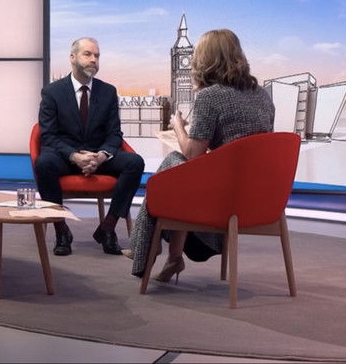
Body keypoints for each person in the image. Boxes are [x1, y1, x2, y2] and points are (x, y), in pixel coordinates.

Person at [127, 28, 275, 280]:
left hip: (222, 198)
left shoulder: (210, 97)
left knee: (175, 164)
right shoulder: (261, 95)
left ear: (205, 59)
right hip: (257, 196)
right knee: (178, 170)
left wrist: (177, 126)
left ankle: (146, 245)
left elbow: (193, 154)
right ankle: (172, 257)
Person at [35, 37, 144, 256]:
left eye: (97, 56)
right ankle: (61, 230)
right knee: (44, 163)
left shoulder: (108, 92)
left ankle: (108, 227)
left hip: (98, 156)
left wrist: (101, 156)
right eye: (88, 54)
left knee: (135, 162)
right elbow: (48, 136)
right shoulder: (52, 92)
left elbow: (115, 134)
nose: (94, 59)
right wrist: (74, 156)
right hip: (66, 157)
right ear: (72, 57)